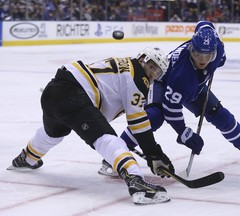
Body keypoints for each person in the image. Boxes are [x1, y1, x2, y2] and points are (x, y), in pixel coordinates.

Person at [7, 47, 175, 205]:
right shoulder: (139, 79)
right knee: (105, 138)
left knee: (54, 133)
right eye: (152, 67)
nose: (153, 74)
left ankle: (26, 158)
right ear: (143, 60)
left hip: (54, 91)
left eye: (157, 71)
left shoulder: (127, 65)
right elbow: (139, 124)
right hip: (74, 94)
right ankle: (136, 181)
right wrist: (154, 154)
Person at [99, 21, 240, 176]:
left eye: (208, 56)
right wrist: (184, 133)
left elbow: (204, 24)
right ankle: (112, 156)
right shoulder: (182, 75)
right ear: (191, 49)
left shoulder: (216, 44)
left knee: (220, 115)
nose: (202, 60)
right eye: (197, 54)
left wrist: (218, 58)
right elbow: (171, 110)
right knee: (154, 117)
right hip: (164, 83)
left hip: (195, 86)